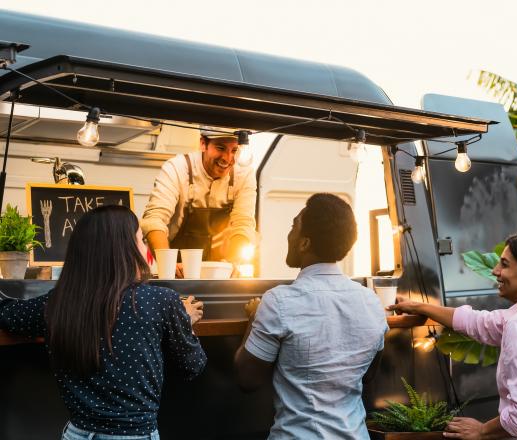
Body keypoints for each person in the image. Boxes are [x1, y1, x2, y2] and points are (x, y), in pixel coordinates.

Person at [0, 205, 207, 440]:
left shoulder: (56, 303)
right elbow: (193, 366)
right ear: (124, 249)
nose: (145, 248)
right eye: (141, 239)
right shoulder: (162, 301)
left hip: (76, 434)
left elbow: (7, 314)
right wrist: (184, 322)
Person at [389, 231, 517, 440]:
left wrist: (482, 430)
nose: (495, 271)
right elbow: (479, 323)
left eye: (504, 264)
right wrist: (419, 306)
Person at [234, 193, 388, 439]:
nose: (289, 234)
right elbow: (368, 375)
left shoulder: (279, 301)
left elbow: (247, 380)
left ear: (304, 243)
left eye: (293, 226)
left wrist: (255, 316)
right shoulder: (372, 301)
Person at [141, 128, 257, 276]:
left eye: (234, 150)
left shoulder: (244, 174)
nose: (228, 158)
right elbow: (154, 219)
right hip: (175, 266)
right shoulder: (177, 167)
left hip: (219, 269)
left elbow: (243, 224)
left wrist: (233, 262)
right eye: (220, 148)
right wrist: (168, 267)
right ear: (203, 143)